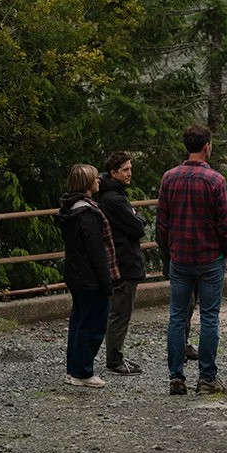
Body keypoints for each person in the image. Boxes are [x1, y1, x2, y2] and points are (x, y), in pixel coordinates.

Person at [156, 124, 227, 395]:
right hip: (210, 257)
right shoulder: (216, 181)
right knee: (209, 317)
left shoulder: (169, 178)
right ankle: (207, 378)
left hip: (180, 258)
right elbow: (225, 224)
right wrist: (225, 249)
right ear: (206, 146)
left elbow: (162, 223)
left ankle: (176, 378)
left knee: (177, 316)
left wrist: (168, 251)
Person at [57, 164, 120, 389]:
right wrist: (107, 283)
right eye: (95, 178)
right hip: (90, 277)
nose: (99, 181)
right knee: (92, 324)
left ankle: (73, 369)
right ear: (87, 183)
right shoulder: (88, 214)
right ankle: (83, 371)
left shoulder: (70, 209)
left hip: (75, 274)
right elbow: (97, 253)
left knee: (78, 322)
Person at [97, 152, 147, 375]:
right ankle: (114, 359)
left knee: (118, 310)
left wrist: (136, 216)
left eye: (130, 168)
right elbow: (137, 227)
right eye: (125, 170)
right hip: (124, 261)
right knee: (120, 311)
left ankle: (114, 356)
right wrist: (137, 216)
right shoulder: (113, 199)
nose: (130, 173)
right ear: (114, 172)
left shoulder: (111, 195)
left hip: (121, 258)